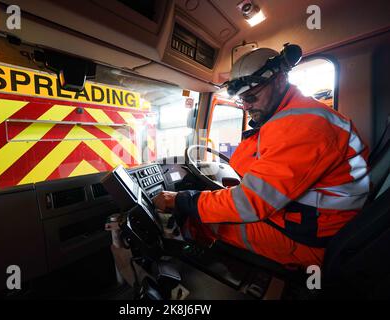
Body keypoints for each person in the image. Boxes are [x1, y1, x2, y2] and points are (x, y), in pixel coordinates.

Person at [153, 45, 370, 267]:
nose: (247, 106)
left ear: (279, 80)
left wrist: (182, 199)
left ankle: (180, 270)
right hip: (306, 219)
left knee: (203, 222)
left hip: (311, 240)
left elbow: (249, 203)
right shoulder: (290, 116)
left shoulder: (302, 126)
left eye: (252, 96)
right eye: (242, 99)